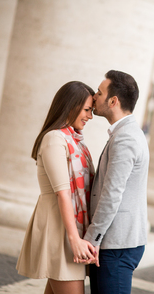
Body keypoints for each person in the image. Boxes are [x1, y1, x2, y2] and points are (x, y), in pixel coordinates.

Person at [16, 81, 97, 294]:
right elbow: (63, 193)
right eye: (87, 110)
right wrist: (74, 239)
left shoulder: (76, 141)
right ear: (71, 106)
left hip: (69, 227)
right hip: (59, 230)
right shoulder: (54, 139)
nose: (90, 116)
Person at [82, 70, 149, 294]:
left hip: (116, 246)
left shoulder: (126, 138)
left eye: (99, 93)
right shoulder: (125, 133)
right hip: (115, 243)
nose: (94, 96)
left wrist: (92, 239)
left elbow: (112, 194)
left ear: (113, 101)